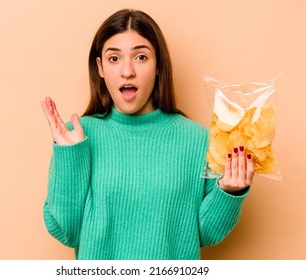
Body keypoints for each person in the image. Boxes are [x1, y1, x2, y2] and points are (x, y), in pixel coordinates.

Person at [40, 9, 254, 260]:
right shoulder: (78, 136)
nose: (127, 71)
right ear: (99, 67)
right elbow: (67, 232)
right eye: (114, 59)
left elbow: (205, 234)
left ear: (159, 66)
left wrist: (229, 192)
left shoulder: (197, 140)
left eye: (141, 57)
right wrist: (71, 159)